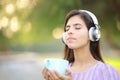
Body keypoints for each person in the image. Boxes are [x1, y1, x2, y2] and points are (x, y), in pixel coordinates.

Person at [42, 9, 120, 80]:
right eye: (67, 29)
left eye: (77, 27)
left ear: (93, 34)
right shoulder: (60, 71)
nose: (69, 31)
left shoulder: (106, 71)